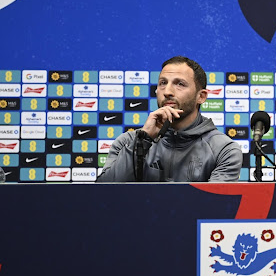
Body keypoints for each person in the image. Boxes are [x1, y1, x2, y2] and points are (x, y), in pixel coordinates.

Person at [98, 56, 242, 182]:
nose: (167, 92)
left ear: (201, 96)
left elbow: (214, 204)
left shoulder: (224, 150)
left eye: (180, 84)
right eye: (162, 83)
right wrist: (144, 140)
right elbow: (104, 195)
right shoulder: (128, 142)